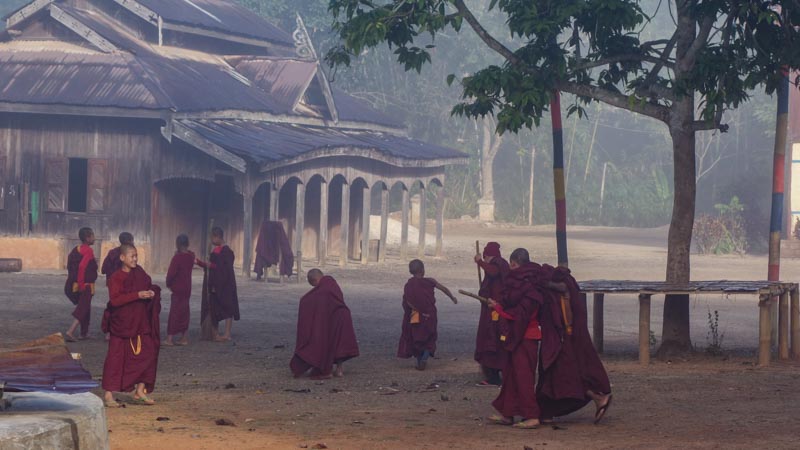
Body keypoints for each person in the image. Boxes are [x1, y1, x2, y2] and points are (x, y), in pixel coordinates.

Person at [536, 263, 613, 425]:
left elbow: (564, 309)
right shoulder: (562, 287)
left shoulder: (561, 288)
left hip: (563, 337)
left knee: (564, 376)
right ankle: (547, 413)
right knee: (562, 375)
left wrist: (544, 284)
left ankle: (597, 397)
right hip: (565, 337)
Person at [487, 248, 544, 429]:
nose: (511, 270)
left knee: (524, 376)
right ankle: (508, 414)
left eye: (513, 265)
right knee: (511, 375)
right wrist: (498, 305)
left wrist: (499, 309)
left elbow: (522, 314)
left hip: (527, 336)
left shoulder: (530, 286)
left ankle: (532, 416)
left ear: (516, 264)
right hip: (516, 335)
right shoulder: (520, 283)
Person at [101, 244, 161, 407]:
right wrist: (137, 295)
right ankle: (108, 395)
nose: (135, 259)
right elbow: (115, 300)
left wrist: (151, 292)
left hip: (140, 321)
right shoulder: (116, 277)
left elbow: (148, 284)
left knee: (149, 352)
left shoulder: (139, 273)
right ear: (122, 258)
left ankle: (140, 390)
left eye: (136, 256)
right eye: (132, 256)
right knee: (115, 357)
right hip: (121, 322)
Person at [290, 269, 360, 380]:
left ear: (315, 280)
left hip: (334, 318)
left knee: (327, 342)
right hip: (343, 316)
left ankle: (326, 368)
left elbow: (311, 301)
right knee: (338, 344)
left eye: (314, 285)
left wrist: (304, 302)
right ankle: (339, 369)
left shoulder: (323, 289)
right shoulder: (331, 283)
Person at [397, 259, 457, 370]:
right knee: (430, 336)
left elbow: (407, 301)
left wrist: (416, 310)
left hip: (415, 314)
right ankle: (425, 357)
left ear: (411, 271)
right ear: (423, 270)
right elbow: (443, 288)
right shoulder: (430, 281)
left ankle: (420, 361)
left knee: (416, 337)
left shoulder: (409, 285)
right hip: (430, 314)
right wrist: (452, 297)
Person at [474, 241, 510, 386]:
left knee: (493, 340)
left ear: (489, 255)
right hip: (491, 308)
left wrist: (480, 262)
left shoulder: (499, 263)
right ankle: (494, 374)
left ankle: (495, 377)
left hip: (497, 309)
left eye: (485, 256)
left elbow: (493, 271)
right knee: (491, 340)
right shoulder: (497, 263)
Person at [196, 227, 239, 342]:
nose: (211, 240)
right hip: (216, 284)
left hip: (226, 284)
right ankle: (214, 332)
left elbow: (225, 269)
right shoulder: (215, 251)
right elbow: (211, 266)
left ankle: (227, 333)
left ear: (217, 236)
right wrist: (200, 263)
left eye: (212, 238)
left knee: (228, 307)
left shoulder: (227, 252)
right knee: (215, 306)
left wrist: (212, 266)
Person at [64, 227, 98, 342]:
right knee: (83, 308)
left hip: (76, 283)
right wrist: (82, 285)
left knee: (86, 307)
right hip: (85, 285)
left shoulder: (77, 249)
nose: (94, 238)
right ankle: (70, 331)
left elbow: (70, 266)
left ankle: (84, 333)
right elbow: (82, 267)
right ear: (87, 238)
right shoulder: (88, 250)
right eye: (92, 236)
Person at [164, 234, 195, 346]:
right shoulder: (191, 256)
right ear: (187, 244)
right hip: (187, 288)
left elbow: (171, 273)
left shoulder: (177, 258)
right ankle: (184, 337)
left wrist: (168, 283)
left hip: (178, 288)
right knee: (185, 311)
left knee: (175, 312)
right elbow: (193, 257)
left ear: (177, 244)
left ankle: (169, 339)